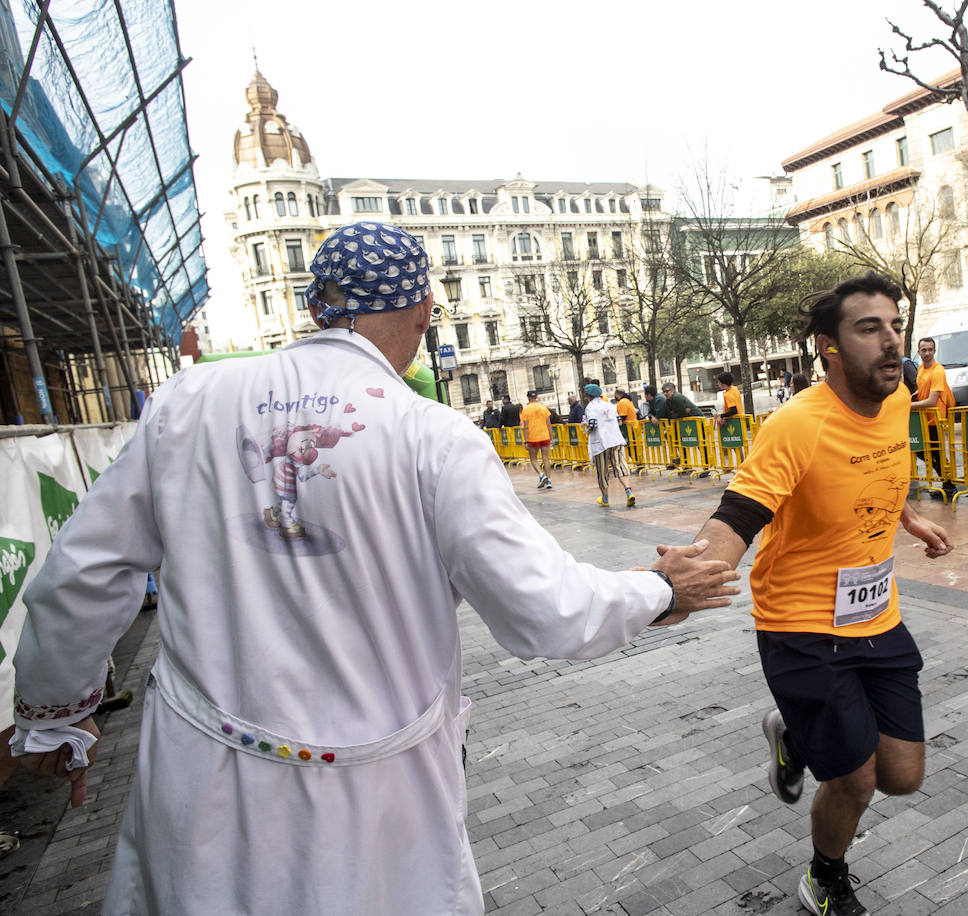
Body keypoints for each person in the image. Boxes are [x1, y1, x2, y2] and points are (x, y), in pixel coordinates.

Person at [2, 222, 739, 915]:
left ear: (315, 307)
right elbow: (544, 608)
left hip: (206, 774)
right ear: (422, 315)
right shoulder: (432, 436)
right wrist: (663, 588)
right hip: (382, 794)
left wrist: (55, 718)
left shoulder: (189, 401)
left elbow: (84, 573)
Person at [689, 271, 953, 916]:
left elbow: (883, 470)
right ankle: (825, 877)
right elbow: (741, 511)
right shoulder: (795, 425)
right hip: (802, 624)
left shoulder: (896, 398)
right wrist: (692, 571)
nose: (891, 341)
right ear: (827, 346)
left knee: (903, 776)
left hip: (876, 615)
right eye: (869, 329)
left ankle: (794, 731)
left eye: (895, 325)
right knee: (856, 779)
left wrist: (909, 518)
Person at [909, 336, 958, 502]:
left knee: (936, 454)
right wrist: (913, 397)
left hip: (935, 419)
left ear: (935, 351)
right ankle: (947, 483)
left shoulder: (938, 370)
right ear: (919, 351)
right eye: (924, 350)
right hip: (924, 419)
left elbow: (931, 400)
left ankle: (950, 485)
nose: (927, 353)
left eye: (930, 349)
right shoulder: (921, 368)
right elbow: (924, 391)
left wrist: (908, 406)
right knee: (923, 452)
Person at [584, 383, 635, 508]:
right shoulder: (610, 405)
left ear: (587, 395)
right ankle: (628, 491)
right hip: (615, 440)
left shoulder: (590, 407)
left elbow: (592, 424)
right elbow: (619, 421)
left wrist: (586, 429)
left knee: (602, 471)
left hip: (600, 443)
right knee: (620, 466)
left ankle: (605, 498)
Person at [521, 390, 554, 489]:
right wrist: (551, 437)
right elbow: (549, 424)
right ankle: (548, 480)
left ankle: (541, 474)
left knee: (533, 459)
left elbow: (525, 426)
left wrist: (526, 440)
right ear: (537, 397)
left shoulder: (525, 410)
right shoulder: (543, 407)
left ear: (528, 398)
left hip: (533, 437)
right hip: (544, 436)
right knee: (546, 459)